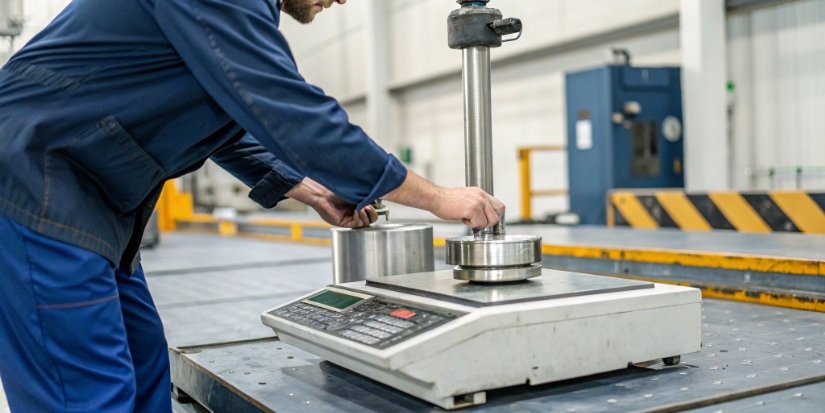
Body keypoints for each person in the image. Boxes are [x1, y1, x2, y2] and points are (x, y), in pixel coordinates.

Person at [0, 0, 505, 412]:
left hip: (94, 200)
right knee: (84, 393)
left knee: (142, 365)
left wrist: (307, 189)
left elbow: (227, 114)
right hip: (34, 179)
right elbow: (289, 111)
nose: (345, 0)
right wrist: (437, 198)